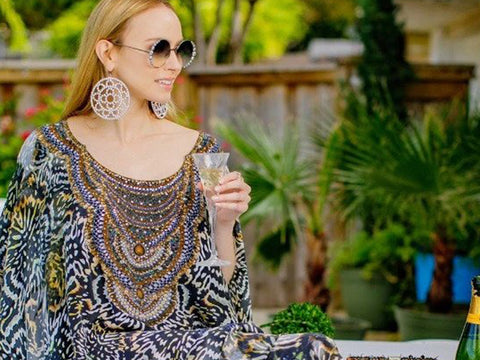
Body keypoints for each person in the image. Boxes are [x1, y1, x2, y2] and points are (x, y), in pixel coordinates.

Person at [0, 0, 340, 359]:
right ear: (108, 53)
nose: (175, 64)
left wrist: (223, 223)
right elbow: (18, 285)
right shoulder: (51, 151)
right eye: (159, 49)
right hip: (94, 349)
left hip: (190, 343)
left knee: (314, 349)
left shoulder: (200, 153)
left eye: (181, 50)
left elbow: (215, 292)